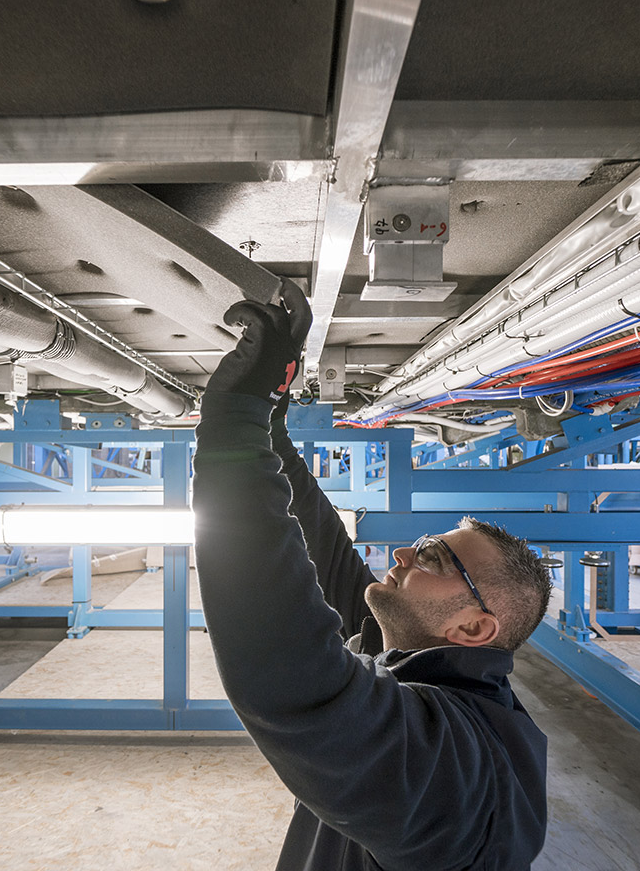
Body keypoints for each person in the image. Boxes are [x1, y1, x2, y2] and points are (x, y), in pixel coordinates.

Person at [192, 289, 551, 871]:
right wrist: (268, 425)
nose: (407, 552)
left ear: (474, 625)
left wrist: (233, 425)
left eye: (434, 559)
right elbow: (324, 550)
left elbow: (290, 678)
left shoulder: (457, 770)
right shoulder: (419, 657)